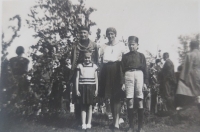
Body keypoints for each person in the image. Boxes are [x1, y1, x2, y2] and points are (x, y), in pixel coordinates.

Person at [69, 26, 99, 126]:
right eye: (81, 33)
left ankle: (88, 121)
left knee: (89, 98)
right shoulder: (75, 45)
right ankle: (79, 120)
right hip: (78, 71)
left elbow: (96, 59)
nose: (83, 34)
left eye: (85, 33)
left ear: (88, 33)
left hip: (89, 72)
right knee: (78, 97)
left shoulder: (93, 45)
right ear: (79, 34)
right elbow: (72, 59)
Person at [99, 27, 127, 131]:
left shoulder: (121, 45)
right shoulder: (103, 46)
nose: (110, 36)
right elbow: (101, 61)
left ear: (115, 34)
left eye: (112, 34)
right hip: (106, 70)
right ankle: (114, 120)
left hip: (117, 69)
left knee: (117, 96)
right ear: (106, 35)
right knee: (110, 96)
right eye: (108, 34)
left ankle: (116, 123)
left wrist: (123, 76)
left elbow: (123, 61)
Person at [121, 36, 148, 132]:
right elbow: (121, 71)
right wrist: (122, 83)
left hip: (139, 75)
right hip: (128, 75)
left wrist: (145, 82)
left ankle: (140, 127)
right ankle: (131, 127)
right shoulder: (125, 56)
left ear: (137, 45)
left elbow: (145, 70)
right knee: (130, 100)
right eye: (129, 44)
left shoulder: (141, 56)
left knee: (140, 99)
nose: (131, 46)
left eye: (133, 44)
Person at [76, 52, 98, 130]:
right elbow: (77, 78)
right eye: (86, 58)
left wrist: (96, 89)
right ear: (83, 58)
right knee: (83, 106)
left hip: (91, 87)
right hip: (82, 87)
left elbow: (96, 79)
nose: (87, 59)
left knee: (90, 106)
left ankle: (89, 123)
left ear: (91, 58)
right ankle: (83, 123)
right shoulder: (80, 66)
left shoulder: (94, 66)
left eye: (88, 58)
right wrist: (77, 89)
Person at [176, 40, 200, 112]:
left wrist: (183, 79)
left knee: (186, 88)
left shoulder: (189, 55)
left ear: (191, 46)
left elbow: (187, 68)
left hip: (193, 74)